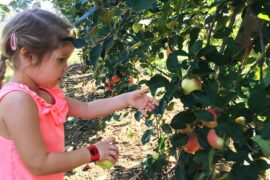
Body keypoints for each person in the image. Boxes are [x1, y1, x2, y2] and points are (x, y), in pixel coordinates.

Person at [0, 9, 159, 179]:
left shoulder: (45, 93)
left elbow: (87, 108)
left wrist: (127, 99)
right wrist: (93, 152)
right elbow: (39, 163)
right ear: (28, 55)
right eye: (61, 59)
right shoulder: (17, 100)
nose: (66, 67)